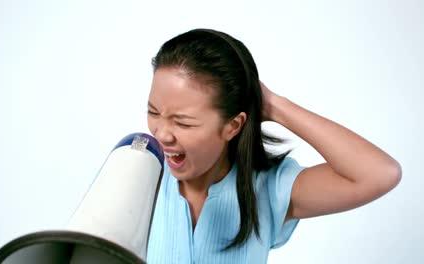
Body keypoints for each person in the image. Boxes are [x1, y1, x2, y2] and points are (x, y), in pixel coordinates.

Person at [145, 28, 401, 263]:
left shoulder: (268, 188)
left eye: (183, 123)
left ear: (233, 126)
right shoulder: (138, 170)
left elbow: (379, 173)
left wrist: (274, 106)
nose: (163, 134)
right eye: (153, 112)